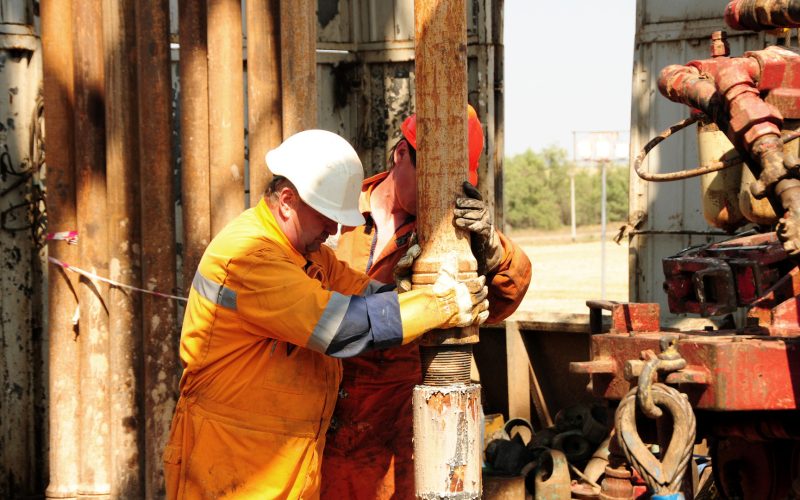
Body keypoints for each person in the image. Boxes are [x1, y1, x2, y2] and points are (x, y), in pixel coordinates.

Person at [162, 129, 490, 499]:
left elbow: (362, 294)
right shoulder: (250, 256)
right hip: (228, 464)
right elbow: (338, 327)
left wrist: (409, 291)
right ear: (288, 201)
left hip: (282, 466)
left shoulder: (308, 255)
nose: (335, 229)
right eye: (327, 216)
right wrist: (441, 305)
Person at [321, 106, 533, 499]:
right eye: (432, 182)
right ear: (401, 154)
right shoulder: (336, 214)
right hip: (326, 411)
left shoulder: (448, 230)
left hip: (401, 423)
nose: (441, 197)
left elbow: (507, 295)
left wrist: (493, 250)